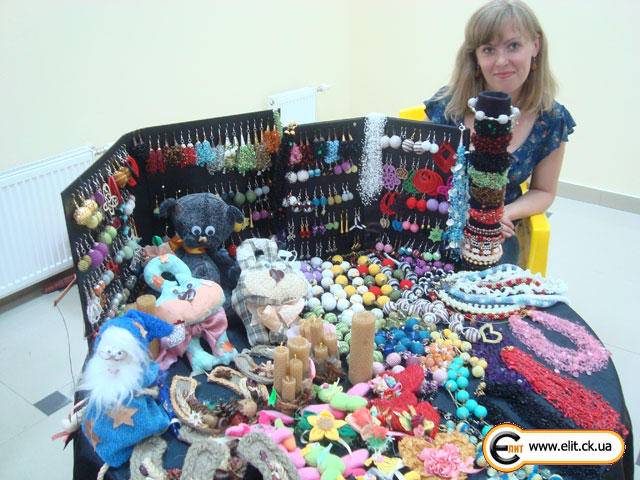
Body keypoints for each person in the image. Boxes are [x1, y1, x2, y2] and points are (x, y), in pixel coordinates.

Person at [424, 0, 575, 264]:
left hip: (494, 234)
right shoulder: (446, 106)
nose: (501, 61)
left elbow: (544, 191)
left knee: (492, 285)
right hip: (437, 221)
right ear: (475, 56)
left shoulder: (550, 119)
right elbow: (416, 174)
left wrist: (502, 214)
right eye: (488, 49)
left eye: (513, 45)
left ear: (535, 45)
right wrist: (456, 213)